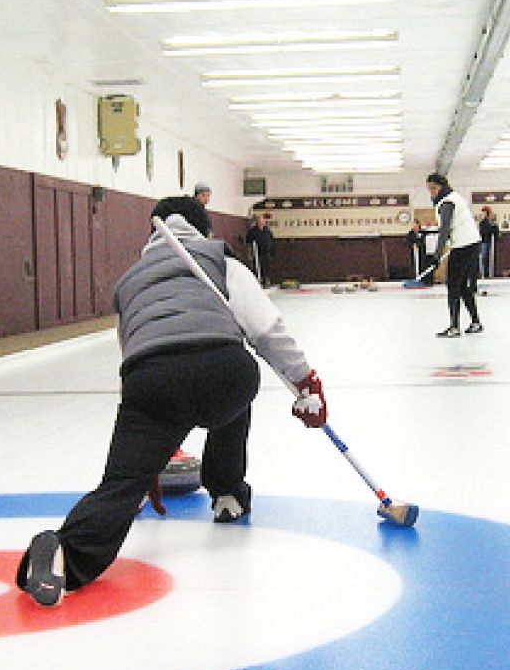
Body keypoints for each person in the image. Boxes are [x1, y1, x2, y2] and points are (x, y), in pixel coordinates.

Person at [17, 195, 327, 608]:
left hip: (151, 380)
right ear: (205, 230)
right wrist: (306, 382)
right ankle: (228, 493)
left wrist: (147, 462)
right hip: (224, 371)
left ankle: (66, 551)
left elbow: (133, 350)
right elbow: (266, 328)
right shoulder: (221, 260)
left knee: (120, 485)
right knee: (233, 390)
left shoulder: (130, 281)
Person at [425, 173, 482, 337]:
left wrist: (437, 255)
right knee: (463, 286)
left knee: (453, 285)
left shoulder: (447, 202)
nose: (432, 192)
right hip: (471, 243)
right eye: (429, 189)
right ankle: (476, 322)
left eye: (434, 188)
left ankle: (454, 327)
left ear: (441, 187)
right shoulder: (454, 197)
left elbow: (444, 230)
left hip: (464, 245)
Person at [244, 213, 276, 286]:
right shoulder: (252, 231)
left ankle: (266, 280)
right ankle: (258, 281)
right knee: (257, 267)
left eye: (262, 221)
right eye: (259, 221)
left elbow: (271, 241)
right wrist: (250, 253)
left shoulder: (267, 231)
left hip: (267, 252)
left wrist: (272, 252)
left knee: (266, 267)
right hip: (257, 253)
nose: (261, 222)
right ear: (257, 222)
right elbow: (248, 242)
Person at [478, 207, 500, 278]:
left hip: (489, 242)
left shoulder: (492, 222)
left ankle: (489, 273)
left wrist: (493, 225)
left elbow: (495, 232)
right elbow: (484, 231)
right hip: (484, 241)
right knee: (484, 258)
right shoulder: (483, 222)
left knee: (489, 258)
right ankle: (484, 273)